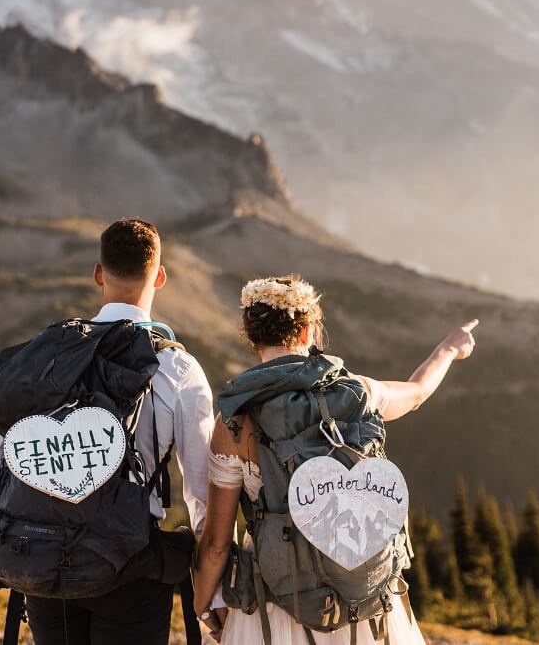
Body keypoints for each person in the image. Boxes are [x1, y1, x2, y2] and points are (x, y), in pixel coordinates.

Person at [193, 274, 478, 644]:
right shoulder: (358, 391)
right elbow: (418, 392)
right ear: (307, 330)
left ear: (251, 336)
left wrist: (203, 606)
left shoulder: (235, 420)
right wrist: (449, 348)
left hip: (276, 597)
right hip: (360, 590)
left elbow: (216, 544)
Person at [0, 218, 214, 645]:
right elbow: (202, 489)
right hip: (132, 571)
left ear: (98, 273)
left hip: (44, 568)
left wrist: (19, 529)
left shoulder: (47, 359)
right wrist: (214, 587)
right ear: (159, 276)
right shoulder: (176, 369)